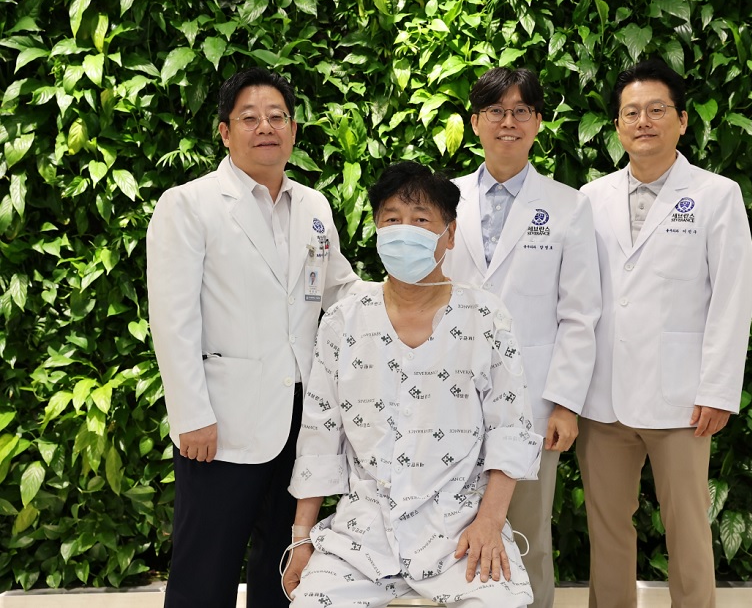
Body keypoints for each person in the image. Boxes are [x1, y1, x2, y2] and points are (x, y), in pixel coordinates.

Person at [146, 67, 364, 607]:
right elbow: (172, 319)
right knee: (205, 568)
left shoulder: (314, 206)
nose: (265, 126)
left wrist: (414, 295)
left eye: (277, 116)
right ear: (225, 132)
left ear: (293, 129)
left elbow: (341, 291)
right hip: (222, 422)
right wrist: (190, 414)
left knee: (284, 567)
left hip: (301, 416)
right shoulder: (189, 204)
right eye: (249, 117)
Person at [281, 162, 543, 608]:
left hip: (460, 528)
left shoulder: (485, 317)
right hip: (362, 534)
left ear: (449, 234)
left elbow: (511, 430)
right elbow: (320, 435)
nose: (405, 230)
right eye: (392, 219)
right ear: (376, 229)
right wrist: (302, 538)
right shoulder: (344, 320)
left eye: (421, 219)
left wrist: (489, 522)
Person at [577, 58, 752, 608]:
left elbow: (732, 297)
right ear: (617, 126)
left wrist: (718, 390)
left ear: (682, 120)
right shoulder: (590, 198)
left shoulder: (717, 194)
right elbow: (576, 299)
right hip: (602, 397)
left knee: (688, 527)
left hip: (683, 400)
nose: (644, 121)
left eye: (657, 110)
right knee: (607, 528)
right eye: (631, 112)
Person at [442, 67, 603, 608]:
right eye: (495, 111)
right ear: (475, 122)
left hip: (531, 402)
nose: (507, 122)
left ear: (537, 123)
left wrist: (565, 404)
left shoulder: (568, 204)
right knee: (451, 531)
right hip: (449, 396)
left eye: (521, 111)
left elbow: (579, 314)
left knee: (528, 534)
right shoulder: (443, 198)